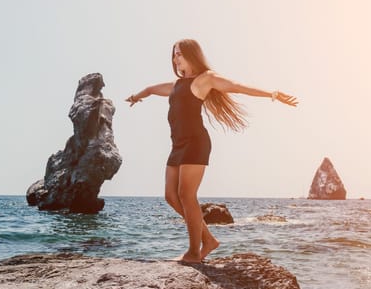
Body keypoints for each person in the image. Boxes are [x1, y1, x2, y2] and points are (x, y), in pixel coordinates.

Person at [126, 39, 298, 263]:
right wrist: (137, 96)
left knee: (187, 196)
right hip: (177, 144)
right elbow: (150, 89)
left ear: (192, 55)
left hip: (195, 143)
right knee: (171, 196)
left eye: (180, 54)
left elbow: (237, 86)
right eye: (174, 55)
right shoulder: (177, 85)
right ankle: (209, 241)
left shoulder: (205, 79)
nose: (176, 59)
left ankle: (194, 252)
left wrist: (272, 94)